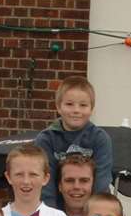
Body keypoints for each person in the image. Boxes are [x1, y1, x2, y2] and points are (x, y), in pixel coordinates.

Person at [35, 76, 114, 207]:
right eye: (69, 104)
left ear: (91, 109)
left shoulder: (100, 138)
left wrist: (93, 215)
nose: (76, 110)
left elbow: (102, 181)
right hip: (56, 209)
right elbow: (45, 183)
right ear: (58, 107)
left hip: (92, 211)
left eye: (83, 105)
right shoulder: (46, 139)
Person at [57, 152, 96, 216]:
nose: (76, 186)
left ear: (93, 185)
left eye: (84, 180)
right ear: (60, 186)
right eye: (69, 180)